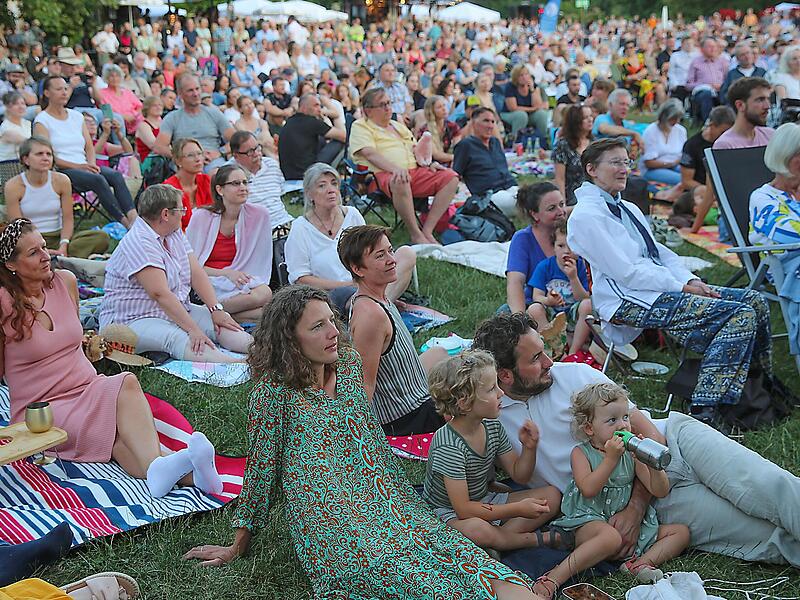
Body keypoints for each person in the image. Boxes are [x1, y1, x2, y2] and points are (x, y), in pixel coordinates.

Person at [182, 285, 542, 600]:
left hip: (381, 492)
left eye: (331, 321)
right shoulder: (273, 394)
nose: (333, 333)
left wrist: (394, 498)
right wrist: (238, 545)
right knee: (400, 571)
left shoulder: (350, 366)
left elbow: (367, 434)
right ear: (291, 341)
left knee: (452, 551)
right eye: (317, 326)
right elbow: (262, 470)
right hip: (328, 516)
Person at [472, 312, 800, 567]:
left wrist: (635, 507)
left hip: (675, 447)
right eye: (535, 359)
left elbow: (647, 431)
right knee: (760, 536)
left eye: (545, 351)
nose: (549, 362)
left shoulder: (573, 376)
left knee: (771, 487)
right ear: (504, 375)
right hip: (651, 503)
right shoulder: (494, 417)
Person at [0, 218, 222, 498]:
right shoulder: (4, 304)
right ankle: (179, 470)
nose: (47, 256)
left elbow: (73, 339)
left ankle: (193, 478)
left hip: (87, 388)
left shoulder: (65, 282)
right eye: (34, 253)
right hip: (43, 411)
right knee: (122, 398)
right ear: (11, 265)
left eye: (45, 247)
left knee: (118, 431)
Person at [568, 137, 772, 425]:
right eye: (615, 162)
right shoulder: (587, 216)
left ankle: (762, 386)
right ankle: (703, 412)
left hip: (655, 289)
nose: (624, 169)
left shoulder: (627, 208)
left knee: (755, 301)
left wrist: (691, 280)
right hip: (625, 300)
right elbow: (626, 272)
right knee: (738, 314)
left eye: (626, 162)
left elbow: (660, 253)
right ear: (591, 169)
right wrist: (681, 287)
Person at [533, 383, 690, 597]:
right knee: (610, 537)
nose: (623, 426)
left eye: (625, 417)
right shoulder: (581, 453)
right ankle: (553, 578)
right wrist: (610, 459)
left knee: (680, 532)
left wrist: (653, 465)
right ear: (589, 428)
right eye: (612, 420)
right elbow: (588, 489)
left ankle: (639, 564)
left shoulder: (631, 455)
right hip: (589, 521)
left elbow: (659, 490)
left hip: (625, 528)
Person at [422, 349, 562, 551]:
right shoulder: (448, 445)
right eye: (491, 389)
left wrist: (529, 448)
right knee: (477, 529)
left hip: (485, 498)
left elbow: (519, 475)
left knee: (552, 496)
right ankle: (536, 539)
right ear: (465, 403)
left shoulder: (492, 425)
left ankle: (497, 542)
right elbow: (463, 509)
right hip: (449, 513)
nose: (501, 393)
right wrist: (516, 509)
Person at [99, 184, 252, 363]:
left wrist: (215, 309)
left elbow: (196, 272)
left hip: (173, 308)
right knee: (178, 338)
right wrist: (193, 329)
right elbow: (160, 294)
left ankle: (263, 353)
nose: (184, 213)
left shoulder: (173, 231)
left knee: (222, 324)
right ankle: (238, 365)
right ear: (165, 214)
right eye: (181, 209)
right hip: (132, 320)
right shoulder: (139, 241)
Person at [339, 224, 447, 435]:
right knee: (478, 388)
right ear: (358, 268)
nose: (392, 260)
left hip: (416, 396)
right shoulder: (370, 316)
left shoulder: (379, 296)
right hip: (409, 417)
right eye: (381, 256)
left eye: (390, 250)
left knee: (441, 353)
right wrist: (357, 439)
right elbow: (363, 384)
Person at [285, 163, 415, 311]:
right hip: (330, 295)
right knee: (349, 295)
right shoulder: (300, 227)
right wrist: (348, 285)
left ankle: (380, 305)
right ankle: (382, 305)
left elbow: (369, 254)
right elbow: (301, 279)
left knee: (406, 253)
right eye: (322, 186)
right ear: (309, 193)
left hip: (365, 283)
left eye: (334, 183)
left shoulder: (352, 215)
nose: (331, 190)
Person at [349, 88, 459, 245]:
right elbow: (370, 154)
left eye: (389, 103)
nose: (388, 108)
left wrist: (430, 163)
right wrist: (396, 169)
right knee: (400, 179)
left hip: (416, 170)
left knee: (451, 177)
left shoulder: (397, 125)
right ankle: (416, 234)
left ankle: (427, 231)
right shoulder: (361, 126)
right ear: (368, 110)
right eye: (382, 105)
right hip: (383, 174)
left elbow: (416, 149)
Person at [33, 75, 138, 228]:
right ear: (47, 93)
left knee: (115, 176)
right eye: (58, 89)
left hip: (85, 165)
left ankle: (134, 218)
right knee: (98, 180)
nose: (64, 92)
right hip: (62, 170)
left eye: (65, 89)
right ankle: (125, 223)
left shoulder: (76, 116)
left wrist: (91, 164)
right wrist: (81, 167)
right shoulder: (42, 120)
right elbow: (48, 157)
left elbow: (89, 146)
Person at [185, 164, 272, 323]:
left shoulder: (259, 215)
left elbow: (260, 263)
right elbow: (190, 265)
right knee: (264, 312)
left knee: (265, 294)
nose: (243, 188)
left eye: (245, 182)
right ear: (220, 190)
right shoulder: (201, 217)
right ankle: (212, 309)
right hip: (208, 279)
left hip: (241, 281)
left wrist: (235, 276)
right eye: (236, 183)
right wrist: (226, 273)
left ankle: (208, 313)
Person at [691, 77, 774, 234]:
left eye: (768, 99)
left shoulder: (770, 135)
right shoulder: (725, 145)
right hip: (740, 219)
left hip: (771, 210)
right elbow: (711, 192)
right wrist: (694, 229)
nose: (767, 106)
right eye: (760, 100)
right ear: (740, 105)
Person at [5, 136, 109, 258]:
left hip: (59, 237)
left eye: (49, 154)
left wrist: (64, 244)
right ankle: (58, 260)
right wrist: (41, 249)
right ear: (26, 159)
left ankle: (56, 258)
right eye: (39, 154)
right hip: (30, 240)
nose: (45, 157)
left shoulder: (62, 180)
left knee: (101, 237)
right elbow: (18, 229)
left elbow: (68, 218)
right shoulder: (13, 186)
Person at [528, 222, 592, 356]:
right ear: (554, 248)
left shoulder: (581, 266)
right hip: (552, 317)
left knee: (587, 305)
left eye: (571, 246)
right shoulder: (544, 267)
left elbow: (583, 297)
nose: (566, 251)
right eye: (561, 246)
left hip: (572, 316)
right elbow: (536, 297)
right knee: (534, 309)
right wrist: (549, 301)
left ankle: (573, 352)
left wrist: (573, 277)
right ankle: (555, 349)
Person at [505, 182, 567, 314]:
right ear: (535, 214)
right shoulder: (523, 239)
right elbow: (515, 282)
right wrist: (520, 318)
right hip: (536, 307)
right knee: (505, 315)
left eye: (561, 205)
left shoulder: (573, 233)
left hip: (570, 304)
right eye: (552, 208)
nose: (561, 212)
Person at [153, 74, 234, 174]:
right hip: (185, 164)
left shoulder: (213, 113)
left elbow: (236, 139)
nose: (195, 94)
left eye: (197, 89)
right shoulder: (172, 118)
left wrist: (220, 152)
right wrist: (185, 157)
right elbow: (159, 146)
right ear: (180, 94)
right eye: (190, 90)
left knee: (217, 175)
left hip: (212, 161)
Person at [452, 107, 518, 218]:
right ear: (473, 123)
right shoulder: (465, 145)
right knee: (524, 204)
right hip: (489, 195)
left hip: (510, 186)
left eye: (493, 122)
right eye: (485, 121)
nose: (490, 125)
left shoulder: (495, 142)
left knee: (538, 196)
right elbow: (455, 174)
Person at [227, 130, 291, 229]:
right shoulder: (229, 174)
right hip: (255, 230)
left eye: (257, 148)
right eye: (250, 152)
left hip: (283, 222)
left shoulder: (271, 165)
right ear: (236, 156)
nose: (256, 154)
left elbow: (280, 194)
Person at [679, 105, 735, 213]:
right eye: (723, 132)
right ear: (712, 125)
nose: (726, 137)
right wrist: (710, 193)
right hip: (701, 192)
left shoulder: (732, 143)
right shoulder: (692, 145)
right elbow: (686, 181)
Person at [277, 93, 346, 180]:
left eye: (320, 106)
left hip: (290, 174)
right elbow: (344, 137)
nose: (319, 109)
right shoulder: (311, 122)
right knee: (339, 142)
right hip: (309, 172)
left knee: (322, 138)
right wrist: (332, 120)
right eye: (316, 106)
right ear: (304, 108)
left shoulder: (290, 121)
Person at [163, 138, 212, 229]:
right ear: (178, 161)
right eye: (190, 155)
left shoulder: (206, 181)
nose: (198, 159)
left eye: (199, 154)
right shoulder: (169, 189)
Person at [639, 99, 687, 187]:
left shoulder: (681, 130)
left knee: (694, 176)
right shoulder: (651, 131)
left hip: (675, 164)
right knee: (683, 180)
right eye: (673, 118)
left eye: (678, 118)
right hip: (652, 169)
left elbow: (684, 153)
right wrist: (671, 163)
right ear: (664, 116)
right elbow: (649, 163)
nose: (676, 121)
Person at [552, 104, 593, 207]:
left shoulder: (594, 143)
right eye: (585, 118)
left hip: (593, 194)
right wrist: (562, 205)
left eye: (591, 116)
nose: (590, 120)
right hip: (572, 196)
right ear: (576, 121)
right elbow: (560, 178)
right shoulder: (563, 145)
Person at [501, 64, 549, 144]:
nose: (524, 77)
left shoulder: (534, 86)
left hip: (528, 114)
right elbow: (513, 108)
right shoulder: (510, 86)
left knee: (542, 114)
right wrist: (532, 109)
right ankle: (516, 142)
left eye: (526, 74)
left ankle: (542, 141)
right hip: (509, 114)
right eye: (521, 75)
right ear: (516, 77)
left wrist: (532, 89)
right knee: (521, 115)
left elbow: (538, 105)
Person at [686, 37, 729, 123]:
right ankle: (708, 122)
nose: (713, 48)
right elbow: (688, 85)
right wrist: (705, 85)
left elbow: (727, 79)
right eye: (709, 46)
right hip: (702, 92)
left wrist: (722, 86)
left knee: (728, 94)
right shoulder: (696, 62)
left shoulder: (723, 62)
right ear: (702, 49)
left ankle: (727, 122)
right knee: (706, 94)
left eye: (714, 46)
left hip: (720, 90)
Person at [96, 63, 143, 135]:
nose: (115, 79)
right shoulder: (102, 93)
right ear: (107, 78)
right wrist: (123, 117)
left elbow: (140, 107)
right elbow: (107, 112)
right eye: (111, 76)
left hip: (135, 121)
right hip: (117, 123)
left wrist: (133, 116)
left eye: (117, 76)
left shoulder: (127, 91)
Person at [420, 95, 461, 165]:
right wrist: (456, 157)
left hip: (452, 161)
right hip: (433, 165)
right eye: (439, 107)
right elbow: (436, 155)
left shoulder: (453, 126)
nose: (444, 109)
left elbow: (458, 147)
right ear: (431, 111)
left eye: (444, 105)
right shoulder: (425, 130)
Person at [0, 91, 31, 161]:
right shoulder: (6, 127)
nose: (21, 107)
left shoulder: (27, 123)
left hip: (24, 162)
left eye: (23, 103)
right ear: (8, 107)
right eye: (16, 104)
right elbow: (28, 143)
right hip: (9, 165)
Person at [135, 95, 163, 163]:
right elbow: (154, 146)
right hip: (149, 163)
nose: (158, 107)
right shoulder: (143, 125)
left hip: (163, 159)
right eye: (154, 105)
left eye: (160, 105)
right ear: (147, 108)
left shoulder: (163, 122)